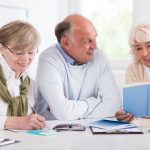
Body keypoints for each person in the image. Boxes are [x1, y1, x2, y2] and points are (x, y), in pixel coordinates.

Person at [36, 14, 121, 120]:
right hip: (53, 131)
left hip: (88, 129)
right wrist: (94, 101)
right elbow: (63, 113)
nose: (95, 46)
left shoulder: (99, 56)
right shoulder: (49, 58)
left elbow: (114, 105)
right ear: (66, 42)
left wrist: (74, 114)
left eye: (94, 39)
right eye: (88, 41)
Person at [0, 20, 45, 130]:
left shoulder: (31, 84)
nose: (25, 59)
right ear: (2, 49)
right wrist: (9, 122)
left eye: (30, 52)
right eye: (19, 53)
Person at [116, 22, 150, 122]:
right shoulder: (133, 69)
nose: (144, 53)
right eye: (138, 48)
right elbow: (133, 109)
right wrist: (125, 115)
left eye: (149, 46)